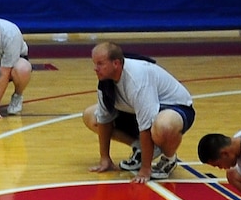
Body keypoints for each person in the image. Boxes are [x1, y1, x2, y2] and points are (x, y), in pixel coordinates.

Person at [82, 43, 194, 183]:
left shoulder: (137, 79)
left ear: (116, 63)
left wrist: (145, 170)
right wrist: (105, 158)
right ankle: (141, 148)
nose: (95, 68)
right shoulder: (105, 79)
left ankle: (169, 158)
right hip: (135, 110)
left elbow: (146, 127)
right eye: (94, 63)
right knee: (91, 115)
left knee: (164, 126)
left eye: (100, 63)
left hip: (175, 108)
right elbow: (104, 119)